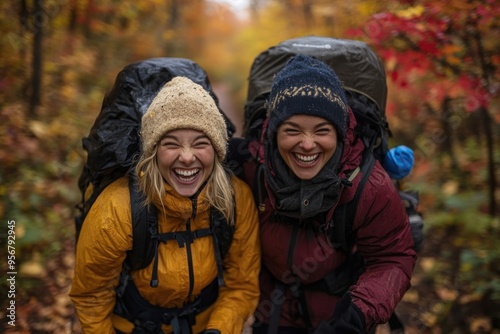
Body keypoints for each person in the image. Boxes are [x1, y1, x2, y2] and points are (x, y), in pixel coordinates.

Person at [70, 76, 261, 334]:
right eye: (171, 144)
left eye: (200, 143)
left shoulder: (236, 199)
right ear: (153, 152)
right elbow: (92, 295)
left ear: (216, 151)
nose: (186, 157)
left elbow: (242, 285)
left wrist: (219, 329)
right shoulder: (117, 208)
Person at [241, 55, 417, 333]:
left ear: (340, 133)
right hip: (272, 310)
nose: (307, 144)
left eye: (322, 130)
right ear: (273, 133)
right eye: (292, 130)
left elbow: (392, 257)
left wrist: (358, 314)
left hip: (340, 311)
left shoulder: (368, 186)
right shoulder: (252, 168)